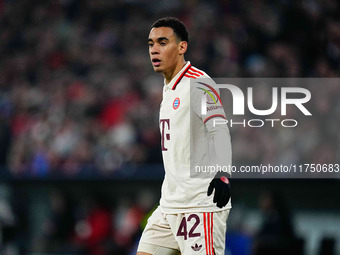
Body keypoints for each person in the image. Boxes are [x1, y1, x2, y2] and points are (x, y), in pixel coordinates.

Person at [137, 17, 232, 255]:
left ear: (182, 47)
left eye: (162, 42)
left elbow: (219, 129)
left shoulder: (199, 83)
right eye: (151, 44)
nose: (154, 50)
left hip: (199, 203)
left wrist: (223, 175)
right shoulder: (169, 88)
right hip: (169, 204)